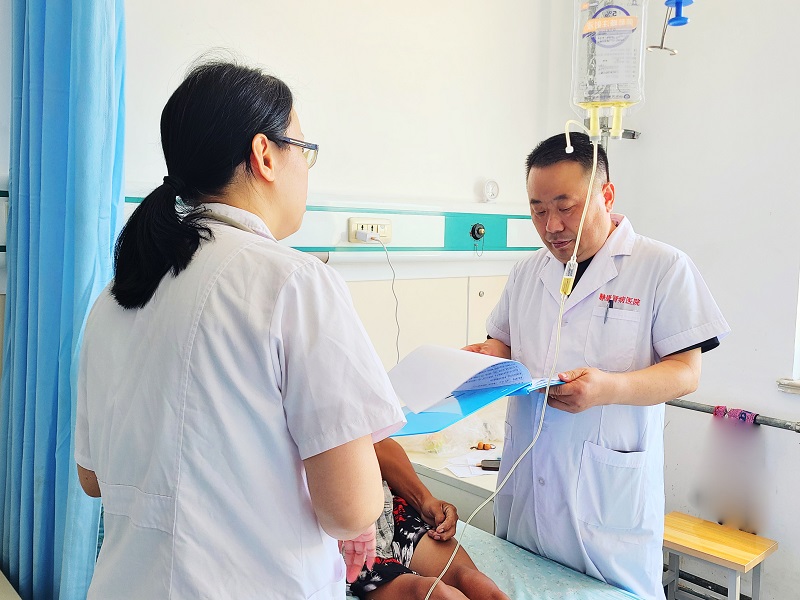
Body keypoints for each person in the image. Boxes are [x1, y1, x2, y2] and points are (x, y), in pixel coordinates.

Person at [74, 61, 405, 599]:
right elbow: (350, 508)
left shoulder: (118, 293)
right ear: (265, 155)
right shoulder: (294, 282)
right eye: (304, 150)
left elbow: (92, 478)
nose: (307, 169)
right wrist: (357, 501)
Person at [464, 132, 730, 600]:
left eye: (565, 207)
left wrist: (608, 389)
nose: (551, 226)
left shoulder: (662, 267)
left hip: (607, 501)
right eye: (537, 210)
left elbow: (686, 372)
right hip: (527, 483)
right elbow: (503, 340)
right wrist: (487, 356)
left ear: (606, 195)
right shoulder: (527, 271)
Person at [348, 438, 508, 600]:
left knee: (474, 583)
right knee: (433, 593)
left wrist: (424, 501)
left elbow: (377, 444)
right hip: (345, 534)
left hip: (386, 510)